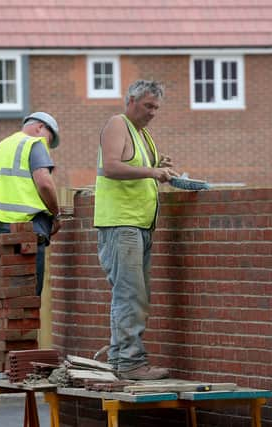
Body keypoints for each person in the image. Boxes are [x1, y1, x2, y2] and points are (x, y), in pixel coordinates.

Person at [94, 80, 178, 380]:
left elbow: (139, 169)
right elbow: (113, 167)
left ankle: (121, 360)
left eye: (156, 108)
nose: (153, 112)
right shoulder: (118, 124)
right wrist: (153, 171)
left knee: (134, 295)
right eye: (148, 106)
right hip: (121, 223)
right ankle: (131, 363)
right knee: (130, 295)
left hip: (139, 224)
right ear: (130, 101)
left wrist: (159, 165)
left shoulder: (143, 135)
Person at [0, 112, 62, 296]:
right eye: (50, 139)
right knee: (29, 295)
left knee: (8, 294)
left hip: (0, 228)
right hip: (28, 228)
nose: (47, 145)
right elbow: (44, 183)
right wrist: (56, 215)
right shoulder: (34, 143)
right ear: (40, 127)